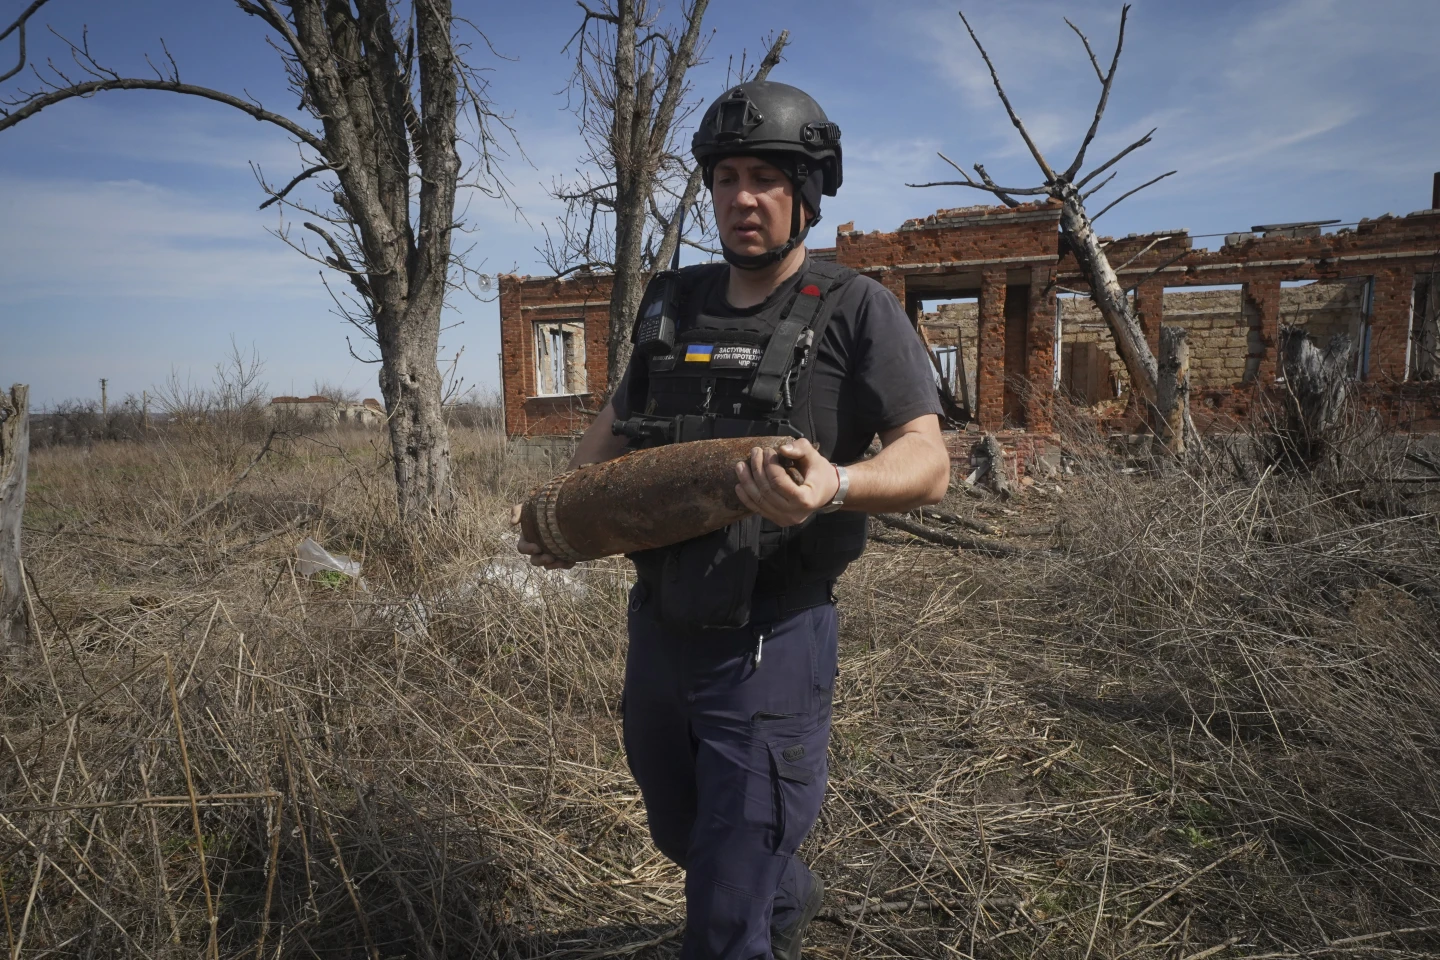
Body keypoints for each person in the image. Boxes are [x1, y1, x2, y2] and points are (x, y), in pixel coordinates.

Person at [516, 80, 951, 960]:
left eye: (765, 178)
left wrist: (835, 485)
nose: (741, 198)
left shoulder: (855, 307)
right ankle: (781, 896)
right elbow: (613, 433)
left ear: (806, 191)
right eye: (725, 179)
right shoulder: (673, 304)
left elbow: (928, 460)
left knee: (722, 905)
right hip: (660, 628)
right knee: (681, 830)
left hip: (771, 641)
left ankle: (750, 917)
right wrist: (568, 519)